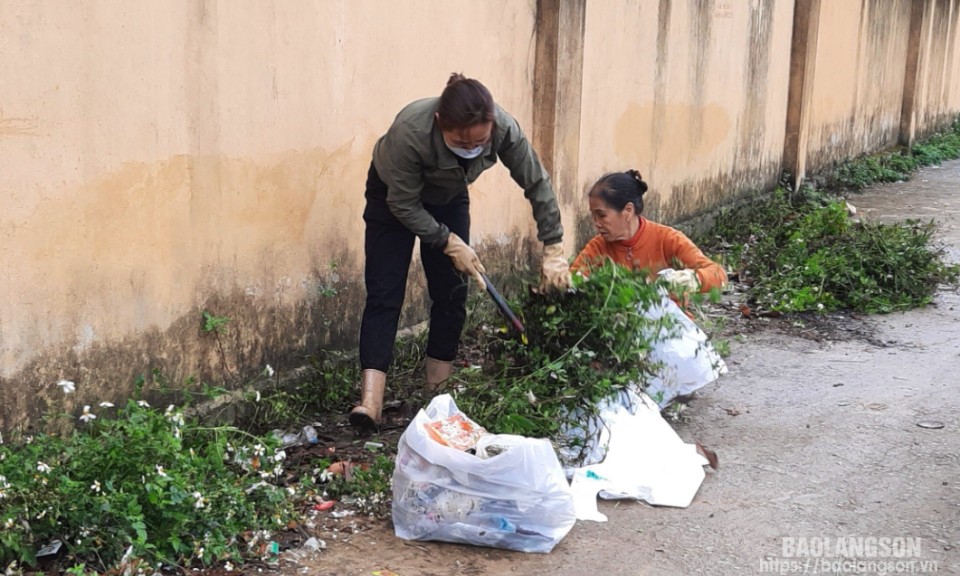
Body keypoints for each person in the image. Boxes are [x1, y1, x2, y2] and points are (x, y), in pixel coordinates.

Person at [351, 73, 573, 428]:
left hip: (448, 197)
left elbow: (536, 181)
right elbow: (404, 205)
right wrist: (447, 240)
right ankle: (370, 402)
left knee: (452, 292)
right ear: (440, 123)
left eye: (480, 142)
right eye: (461, 141)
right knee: (385, 292)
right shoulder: (410, 133)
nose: (472, 148)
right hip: (393, 200)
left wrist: (554, 246)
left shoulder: (503, 128)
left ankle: (437, 397)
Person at [570, 170, 727, 297]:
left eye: (602, 215)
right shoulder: (598, 248)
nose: (596, 223)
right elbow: (573, 279)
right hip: (620, 327)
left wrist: (694, 280)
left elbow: (718, 275)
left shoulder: (667, 239)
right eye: (593, 216)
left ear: (628, 211)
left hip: (670, 327)